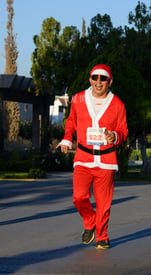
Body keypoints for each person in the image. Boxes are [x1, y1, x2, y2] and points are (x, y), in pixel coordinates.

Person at [56, 64, 128, 250]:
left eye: (103, 78)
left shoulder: (118, 104)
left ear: (109, 81)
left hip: (106, 161)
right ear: (90, 79)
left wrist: (116, 136)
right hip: (83, 158)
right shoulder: (79, 99)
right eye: (95, 77)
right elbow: (71, 121)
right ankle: (90, 222)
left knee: (104, 203)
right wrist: (66, 139)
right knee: (79, 197)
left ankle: (102, 236)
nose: (98, 81)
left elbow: (123, 130)